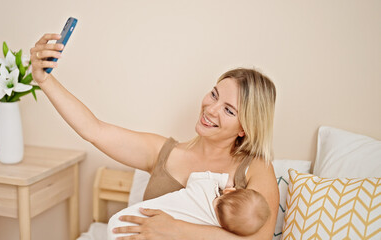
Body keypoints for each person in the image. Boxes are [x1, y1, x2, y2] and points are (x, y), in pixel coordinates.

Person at [30, 33, 279, 240]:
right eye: (214, 95)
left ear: (243, 128)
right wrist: (44, 80)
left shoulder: (255, 167)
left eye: (228, 110)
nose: (211, 109)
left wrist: (177, 230)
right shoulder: (163, 151)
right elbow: (93, 130)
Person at [107, 171, 270, 240]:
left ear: (229, 191)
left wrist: (221, 179)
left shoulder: (206, 187)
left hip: (125, 219)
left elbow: (195, 176)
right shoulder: (210, 229)